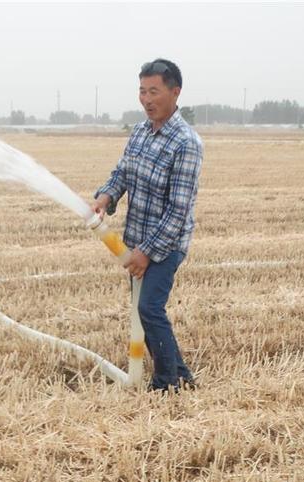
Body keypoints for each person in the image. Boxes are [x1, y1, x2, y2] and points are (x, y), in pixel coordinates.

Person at [91, 59, 203, 392]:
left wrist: (147, 252)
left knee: (149, 308)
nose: (147, 99)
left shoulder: (186, 143)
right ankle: (181, 374)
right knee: (143, 313)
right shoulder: (140, 131)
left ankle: (167, 384)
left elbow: (178, 211)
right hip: (135, 239)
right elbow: (122, 174)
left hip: (166, 244)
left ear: (175, 92)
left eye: (154, 91)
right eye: (142, 91)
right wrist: (106, 197)